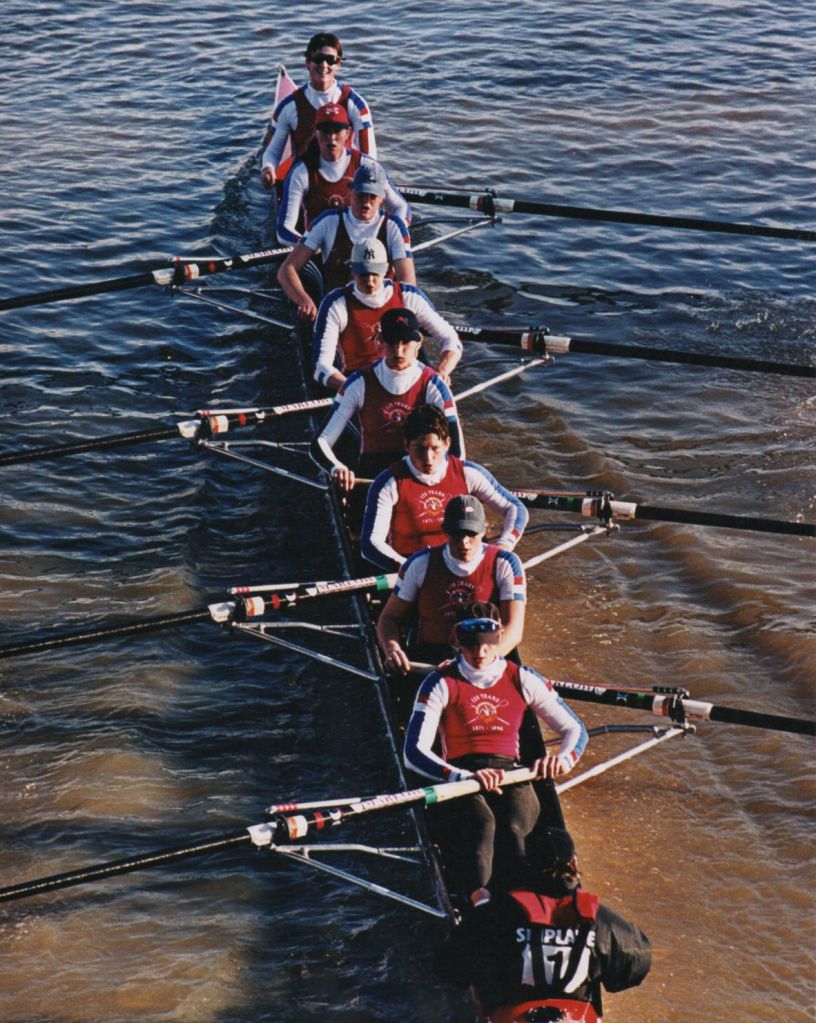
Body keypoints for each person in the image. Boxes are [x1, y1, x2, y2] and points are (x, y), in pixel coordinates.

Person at [402, 605, 588, 908]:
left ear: (499, 639)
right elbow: (413, 753)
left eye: (488, 645)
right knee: (483, 823)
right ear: (457, 644)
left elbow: (575, 731)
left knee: (515, 827)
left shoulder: (522, 677)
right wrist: (462, 776)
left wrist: (560, 760)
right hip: (461, 775)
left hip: (513, 772)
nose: (480, 652)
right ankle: (480, 903)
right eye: (471, 645)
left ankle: (523, 905)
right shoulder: (439, 682)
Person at [438, 826, 652, 1022]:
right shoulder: (596, 916)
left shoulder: (497, 913)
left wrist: (480, 909)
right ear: (574, 863)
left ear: (525, 865)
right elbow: (637, 962)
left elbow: (450, 967)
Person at [311, 308, 464, 491]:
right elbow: (320, 443)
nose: (398, 351)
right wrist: (337, 468)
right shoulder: (358, 383)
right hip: (374, 474)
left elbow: (457, 453)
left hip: (419, 471)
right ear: (380, 342)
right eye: (391, 342)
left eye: (405, 342)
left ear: (418, 344)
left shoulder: (434, 385)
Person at [361, 405, 527, 572]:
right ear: (406, 445)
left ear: (447, 443)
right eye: (420, 449)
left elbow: (515, 508)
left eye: (435, 449)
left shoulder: (467, 473)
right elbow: (370, 544)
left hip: (461, 564)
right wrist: (410, 569)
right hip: (413, 571)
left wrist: (504, 544)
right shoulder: (389, 483)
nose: (428, 459)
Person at [376, 494, 524, 671]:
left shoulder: (506, 564)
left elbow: (513, 630)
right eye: (457, 534)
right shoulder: (419, 564)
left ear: (484, 530)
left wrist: (479, 662)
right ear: (445, 531)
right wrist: (392, 649)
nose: (464, 542)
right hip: (433, 657)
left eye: (471, 533)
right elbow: (389, 618)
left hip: (487, 655)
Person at [276, 162, 414, 320]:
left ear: (382, 197)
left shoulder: (394, 226)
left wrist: (404, 320)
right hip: (338, 314)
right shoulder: (328, 221)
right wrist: (304, 300)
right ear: (351, 191)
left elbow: (408, 284)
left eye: (372, 196)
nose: (366, 203)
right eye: (361, 194)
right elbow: (286, 270)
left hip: (382, 313)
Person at [311, 255, 462, 391]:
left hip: (404, 377)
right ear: (353, 271)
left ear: (386, 269)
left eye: (375, 273)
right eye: (363, 273)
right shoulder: (337, 303)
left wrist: (442, 371)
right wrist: (354, 390)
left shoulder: (409, 296)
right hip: (360, 381)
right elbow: (321, 367)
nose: (369, 281)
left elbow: (451, 339)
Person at [276, 102, 410, 246]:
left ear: (348, 133)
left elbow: (402, 207)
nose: (331, 138)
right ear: (316, 132)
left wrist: (393, 238)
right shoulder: (301, 172)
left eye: (337, 131)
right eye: (325, 131)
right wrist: (308, 246)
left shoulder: (366, 165)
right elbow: (283, 230)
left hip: (363, 247)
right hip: (317, 248)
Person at [260, 32, 375, 188]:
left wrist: (368, 184)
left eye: (330, 60)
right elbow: (272, 153)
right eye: (318, 59)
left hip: (344, 182)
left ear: (338, 64)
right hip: (304, 183)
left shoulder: (355, 105)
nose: (324, 65)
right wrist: (268, 168)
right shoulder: (289, 106)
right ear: (308, 62)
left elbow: (369, 158)